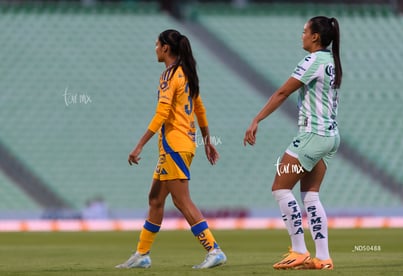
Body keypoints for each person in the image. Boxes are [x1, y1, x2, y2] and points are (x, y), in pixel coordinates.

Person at [115, 29, 226, 269]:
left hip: (174, 145)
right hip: (184, 144)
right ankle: (142, 254)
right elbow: (200, 109)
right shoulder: (187, 73)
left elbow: (162, 113)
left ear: (166, 48)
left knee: (182, 200)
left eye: (157, 44)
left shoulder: (169, 76)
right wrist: (207, 141)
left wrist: (139, 145)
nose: (155, 49)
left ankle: (214, 249)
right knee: (155, 199)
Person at [244, 16, 342, 270]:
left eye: (304, 32)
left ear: (315, 37)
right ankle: (323, 258)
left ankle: (299, 250)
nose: (302, 36)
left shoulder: (313, 60)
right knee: (311, 196)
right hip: (330, 136)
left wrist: (257, 120)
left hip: (313, 135)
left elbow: (282, 92)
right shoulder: (332, 61)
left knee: (280, 187)